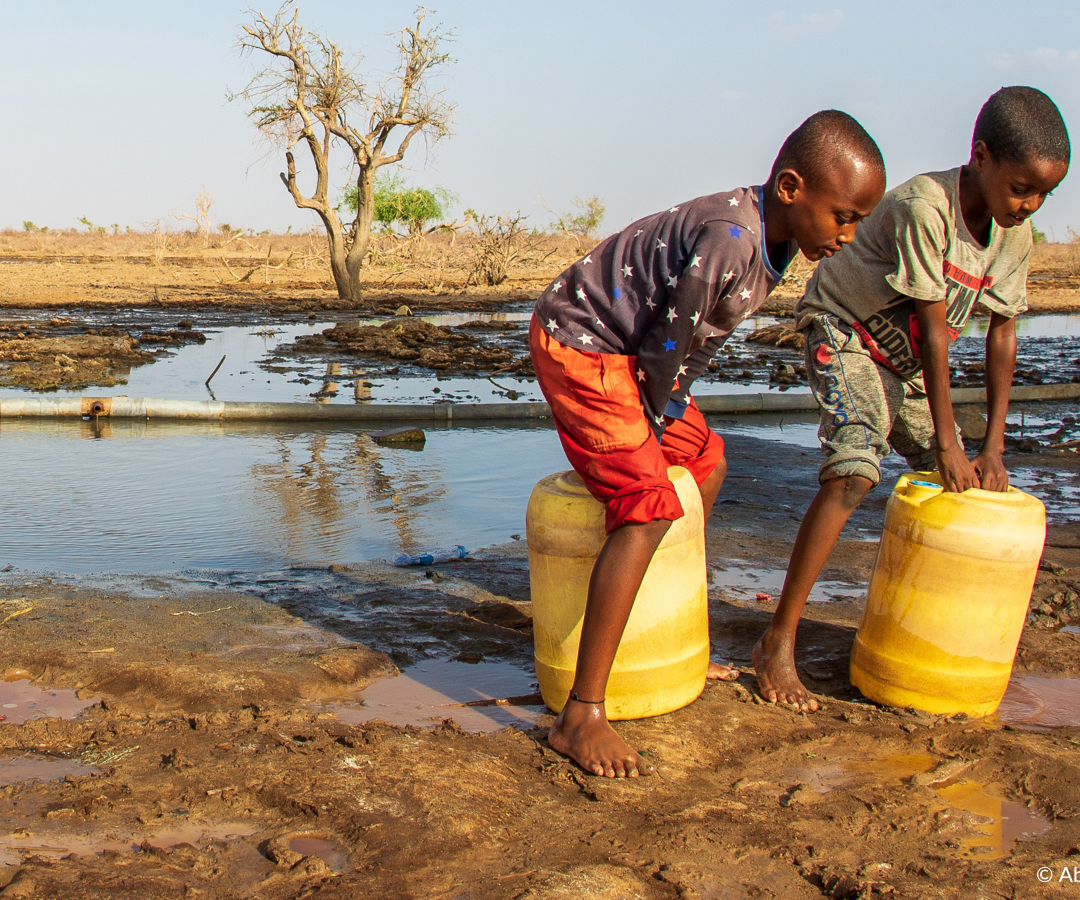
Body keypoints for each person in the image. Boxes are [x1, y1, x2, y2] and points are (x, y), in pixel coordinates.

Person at [529, 110, 886, 777]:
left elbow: (692, 341)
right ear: (790, 188)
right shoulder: (731, 238)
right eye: (843, 216)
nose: (849, 235)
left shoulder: (773, 247)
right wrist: (648, 428)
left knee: (707, 460)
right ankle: (581, 714)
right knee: (647, 502)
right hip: (583, 342)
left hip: (637, 356)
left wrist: (664, 420)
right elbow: (666, 343)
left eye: (859, 220)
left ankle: (674, 633)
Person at [754, 86, 1071, 712]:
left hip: (903, 362)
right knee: (855, 468)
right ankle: (777, 640)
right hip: (845, 330)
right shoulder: (929, 207)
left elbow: (1002, 337)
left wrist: (991, 445)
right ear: (980, 156)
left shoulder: (1016, 237)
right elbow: (932, 328)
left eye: (1043, 194)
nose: (1029, 204)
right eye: (1020, 188)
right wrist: (948, 442)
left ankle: (925, 635)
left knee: (973, 488)